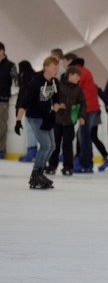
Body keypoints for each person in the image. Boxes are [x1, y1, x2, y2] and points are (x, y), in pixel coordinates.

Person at [14, 56, 60, 189]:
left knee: (52, 146)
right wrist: (18, 121)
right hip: (34, 117)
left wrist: (53, 113)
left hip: (46, 116)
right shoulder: (36, 82)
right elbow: (24, 102)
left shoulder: (54, 82)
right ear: (46, 68)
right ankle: (35, 173)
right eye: (54, 67)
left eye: (57, 68)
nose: (56, 70)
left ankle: (40, 172)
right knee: (46, 145)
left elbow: (56, 100)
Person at [47, 66, 86, 176]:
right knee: (55, 143)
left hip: (69, 121)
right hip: (57, 120)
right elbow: (49, 98)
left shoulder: (78, 89)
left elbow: (82, 104)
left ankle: (68, 166)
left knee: (68, 144)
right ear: (70, 75)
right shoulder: (58, 85)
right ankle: (52, 165)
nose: (79, 78)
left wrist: (81, 116)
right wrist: (57, 106)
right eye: (77, 76)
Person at [68, 57, 100, 173]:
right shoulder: (87, 71)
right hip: (92, 107)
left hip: (87, 108)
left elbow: (75, 91)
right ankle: (87, 163)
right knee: (85, 135)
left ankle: (85, 164)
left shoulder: (78, 72)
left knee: (84, 137)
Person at [15, 60, 38, 162]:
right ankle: (34, 153)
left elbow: (22, 94)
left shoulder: (24, 77)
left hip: (28, 107)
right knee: (36, 131)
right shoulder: (35, 76)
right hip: (37, 107)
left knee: (30, 130)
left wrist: (18, 107)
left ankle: (31, 152)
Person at [0, 41, 17, 159]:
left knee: (2, 125)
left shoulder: (10, 65)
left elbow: (16, 81)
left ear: (2, 51)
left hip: (3, 98)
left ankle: (1, 149)